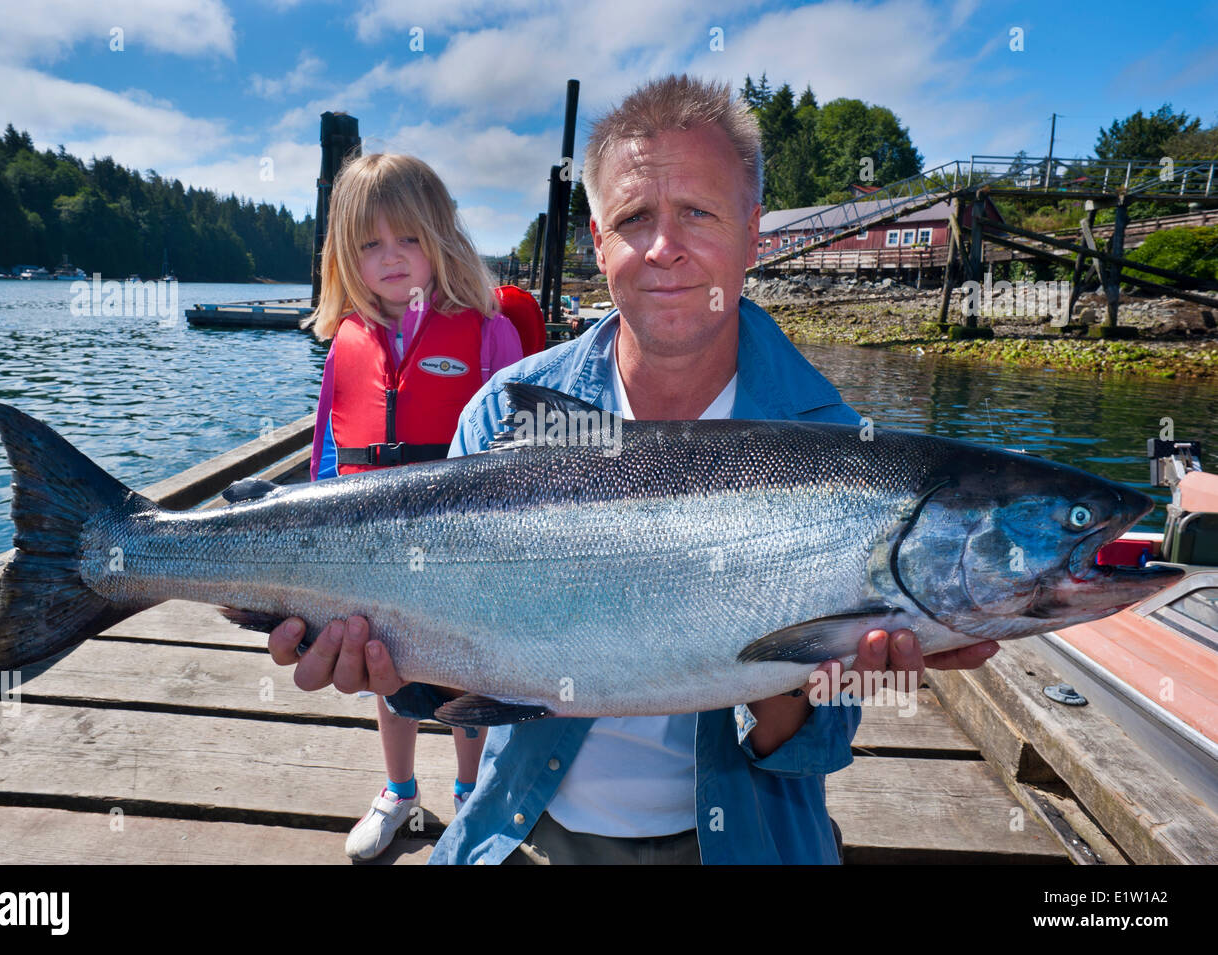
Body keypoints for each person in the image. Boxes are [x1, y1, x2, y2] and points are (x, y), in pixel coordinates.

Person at [269, 75, 998, 864]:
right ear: (597, 240)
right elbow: (444, 689)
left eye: (697, 212)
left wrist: (829, 678)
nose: (663, 247)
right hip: (522, 828)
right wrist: (388, 670)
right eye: (634, 218)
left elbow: (816, 739)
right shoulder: (500, 415)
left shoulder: (838, 449)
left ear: (755, 232)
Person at [303, 151, 523, 860]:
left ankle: (470, 798)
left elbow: (520, 452)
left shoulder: (490, 330)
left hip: (466, 553)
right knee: (381, 668)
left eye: (408, 238)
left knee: (465, 678)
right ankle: (400, 790)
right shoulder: (346, 343)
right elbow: (327, 449)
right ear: (347, 255)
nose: (390, 257)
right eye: (369, 244)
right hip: (368, 550)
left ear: (440, 237)